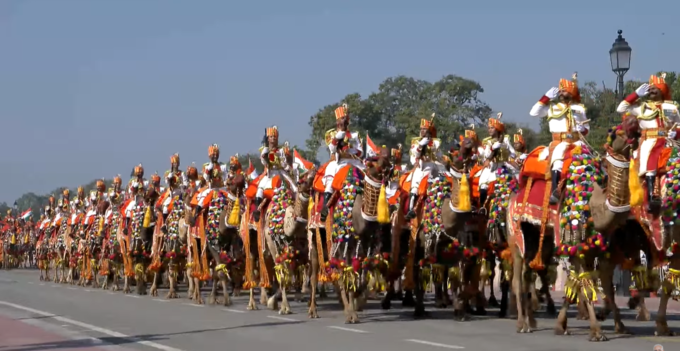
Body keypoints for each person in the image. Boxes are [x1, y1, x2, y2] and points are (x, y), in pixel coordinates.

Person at [616, 73, 680, 209]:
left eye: (653, 88)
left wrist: (677, 132)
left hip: (668, 140)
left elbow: (679, 125)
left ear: (661, 90)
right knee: (648, 162)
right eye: (649, 89)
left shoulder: (671, 108)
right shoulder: (641, 107)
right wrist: (635, 95)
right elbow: (620, 108)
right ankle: (652, 196)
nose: (650, 90)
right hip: (648, 142)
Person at [529, 72, 589, 204]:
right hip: (559, 142)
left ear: (571, 92)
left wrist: (583, 129)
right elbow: (534, 112)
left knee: (591, 158)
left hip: (576, 141)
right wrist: (545, 98)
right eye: (560, 91)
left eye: (564, 91)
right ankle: (556, 191)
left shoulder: (579, 109)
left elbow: (587, 129)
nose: (561, 93)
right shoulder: (551, 107)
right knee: (558, 158)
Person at [319, 104, 363, 220]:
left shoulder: (355, 135)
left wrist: (349, 153)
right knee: (330, 174)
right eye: (341, 119)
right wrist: (339, 136)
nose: (343, 121)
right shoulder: (331, 134)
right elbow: (332, 149)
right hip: (339, 162)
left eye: (345, 118)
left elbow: (360, 152)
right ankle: (326, 207)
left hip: (355, 163)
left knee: (370, 176)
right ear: (337, 121)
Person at [248, 126, 295, 221]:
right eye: (271, 136)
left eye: (275, 136)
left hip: (281, 173)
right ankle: (257, 211)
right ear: (268, 138)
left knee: (295, 188)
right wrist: (266, 150)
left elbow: (287, 163)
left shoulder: (282, 151)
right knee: (260, 188)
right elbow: (264, 161)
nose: (273, 138)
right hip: (270, 173)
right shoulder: (265, 150)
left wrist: (285, 161)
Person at [404, 116, 442, 220]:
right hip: (419, 165)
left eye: (424, 129)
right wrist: (421, 145)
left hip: (431, 166)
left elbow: (438, 156)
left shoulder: (435, 142)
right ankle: (410, 209)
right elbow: (414, 154)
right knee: (414, 184)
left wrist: (429, 143)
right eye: (421, 129)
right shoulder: (416, 141)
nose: (422, 131)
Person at [477, 113, 516, 210]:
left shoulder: (505, 140)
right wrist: (493, 149)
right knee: (483, 187)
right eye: (488, 128)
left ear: (497, 129)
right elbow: (486, 156)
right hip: (490, 167)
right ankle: (482, 208)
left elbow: (513, 153)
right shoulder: (487, 141)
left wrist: (508, 154)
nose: (489, 130)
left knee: (513, 185)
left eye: (492, 128)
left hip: (502, 167)